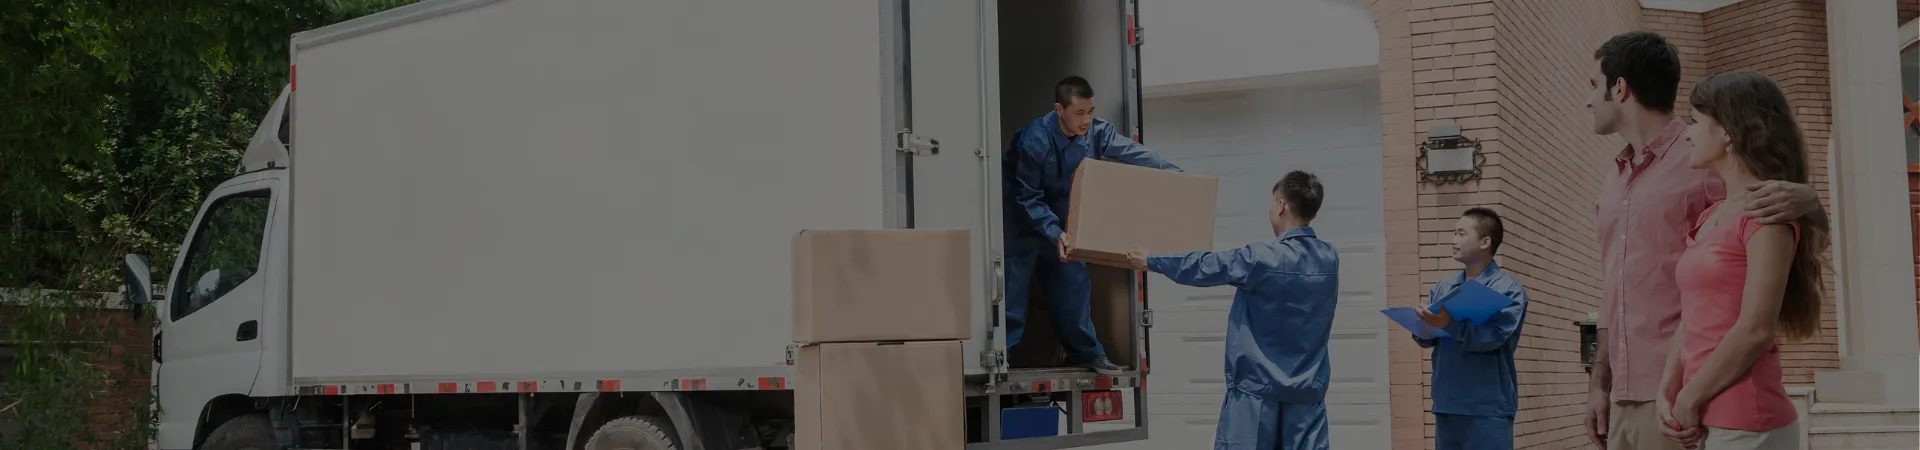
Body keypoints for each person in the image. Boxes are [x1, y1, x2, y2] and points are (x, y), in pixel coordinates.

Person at [1580, 31, 1825, 450]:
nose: (1587, 100)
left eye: (1592, 86)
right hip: (1633, 392)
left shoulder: (1705, 167)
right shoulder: (1615, 179)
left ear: (1619, 88)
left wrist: (1812, 204)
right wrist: (1599, 381)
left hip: (1700, 396)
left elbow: (1780, 248)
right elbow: (1614, 287)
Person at [1654, 71, 1825, 450]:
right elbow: (1693, 315)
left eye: (1695, 121)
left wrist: (1689, 397)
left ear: (1728, 132)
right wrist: (1668, 388)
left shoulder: (1766, 214)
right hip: (1703, 415)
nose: (1687, 134)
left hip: (1747, 420)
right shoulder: (1710, 215)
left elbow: (1755, 330)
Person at [1125, 171, 1336, 450]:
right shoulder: (1329, 259)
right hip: (1307, 397)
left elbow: (1206, 266)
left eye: (1272, 202)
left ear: (1282, 206)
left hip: (1256, 397)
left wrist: (1152, 260)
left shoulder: (1262, 259)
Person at [1004, 75, 1181, 375]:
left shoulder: (1096, 132)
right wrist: (1053, 232)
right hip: (1022, 218)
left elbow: (1136, 153)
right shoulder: (1034, 141)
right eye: (1079, 113)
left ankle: (1085, 353)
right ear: (1059, 110)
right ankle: (1003, 356)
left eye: (1091, 111)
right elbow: (1027, 196)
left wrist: (1177, 175)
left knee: (1072, 284)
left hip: (1061, 217)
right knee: (1013, 287)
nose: (1086, 120)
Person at [1415, 207, 1527, 450]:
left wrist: (1449, 324)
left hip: (1487, 409)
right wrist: (1422, 324)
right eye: (1453, 233)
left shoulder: (1508, 290)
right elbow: (1427, 339)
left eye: (1461, 233)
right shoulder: (1443, 287)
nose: (1453, 240)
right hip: (1447, 405)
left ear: (1485, 242)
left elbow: (1490, 339)